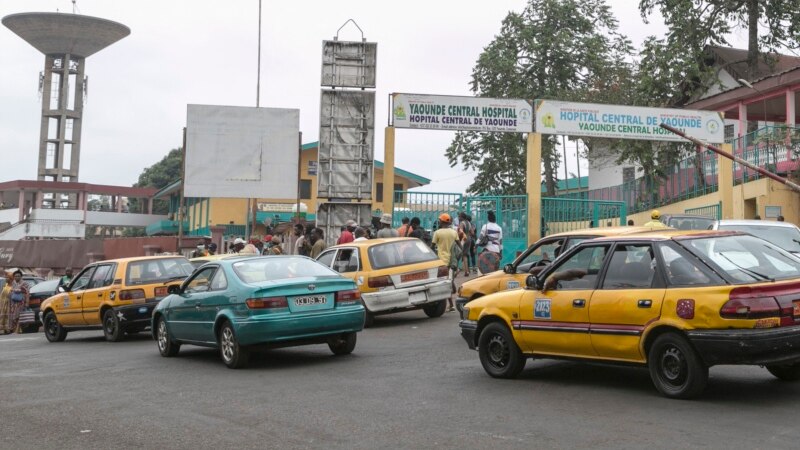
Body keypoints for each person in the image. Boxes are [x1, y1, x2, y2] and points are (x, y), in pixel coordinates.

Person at [432, 213, 459, 312]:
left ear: (442, 221)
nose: (438, 221)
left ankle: (451, 304)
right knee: (447, 280)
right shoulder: (454, 232)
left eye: (439, 220)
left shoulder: (437, 233)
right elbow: (459, 246)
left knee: (443, 282)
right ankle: (451, 301)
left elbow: (432, 246)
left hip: (441, 260)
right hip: (452, 260)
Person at [0, 269, 29, 334]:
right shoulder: (13, 283)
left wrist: (27, 302)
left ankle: (17, 330)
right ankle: (16, 329)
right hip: (13, 303)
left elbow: (27, 293)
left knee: (18, 316)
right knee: (14, 317)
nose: (17, 277)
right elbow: (11, 292)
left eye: (18, 276)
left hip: (21, 302)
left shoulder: (25, 283)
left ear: (21, 277)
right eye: (15, 276)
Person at [457, 212, 474, 277]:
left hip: (462, 240)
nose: (458, 218)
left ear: (462, 217)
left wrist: (457, 238)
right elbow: (472, 232)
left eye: (459, 216)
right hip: (468, 239)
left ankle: (456, 270)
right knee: (465, 255)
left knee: (458, 254)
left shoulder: (462, 223)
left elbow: (461, 232)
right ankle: (467, 271)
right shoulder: (469, 223)